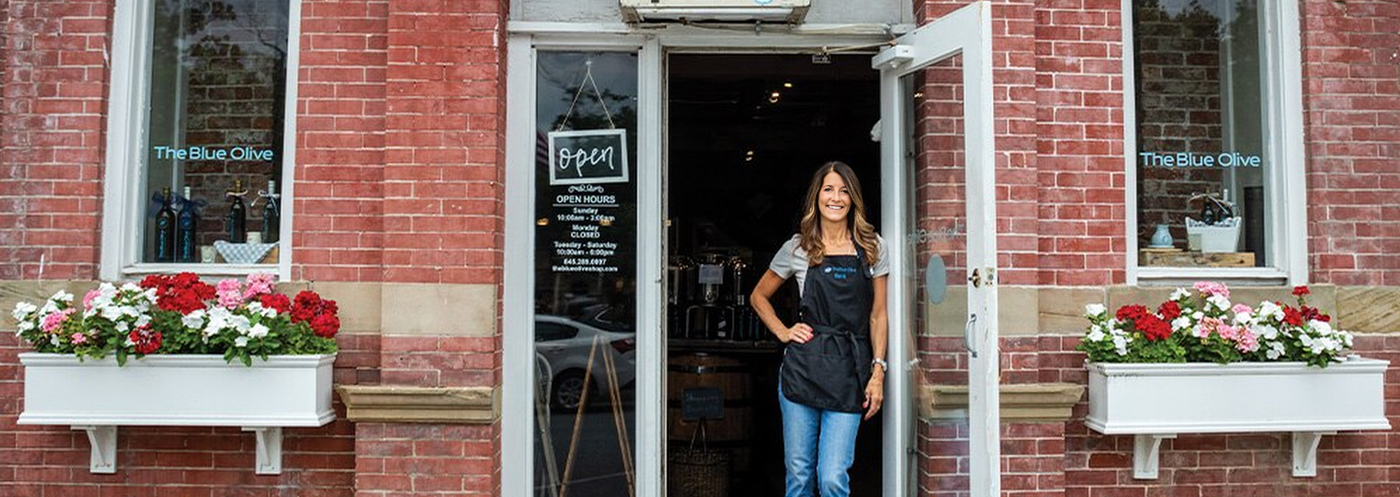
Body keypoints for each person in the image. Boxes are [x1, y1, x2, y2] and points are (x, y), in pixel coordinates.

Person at [750, 161, 889, 497]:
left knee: (831, 478)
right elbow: (758, 296)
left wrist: (878, 372)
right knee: (798, 476)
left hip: (849, 373)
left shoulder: (872, 247)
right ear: (817, 197)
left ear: (853, 199)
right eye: (828, 189)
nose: (836, 198)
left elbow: (878, 315)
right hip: (802, 371)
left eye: (844, 191)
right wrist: (784, 332)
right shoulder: (798, 248)